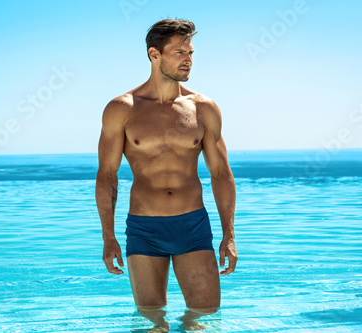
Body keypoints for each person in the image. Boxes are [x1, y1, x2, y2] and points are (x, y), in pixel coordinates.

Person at [95, 18, 237, 330]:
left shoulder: (203, 107)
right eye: (179, 52)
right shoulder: (122, 108)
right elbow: (107, 175)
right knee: (151, 320)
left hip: (193, 224)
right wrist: (108, 237)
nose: (188, 59)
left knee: (204, 315)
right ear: (154, 54)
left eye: (190, 52)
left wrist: (229, 234)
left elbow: (220, 173)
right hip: (144, 228)